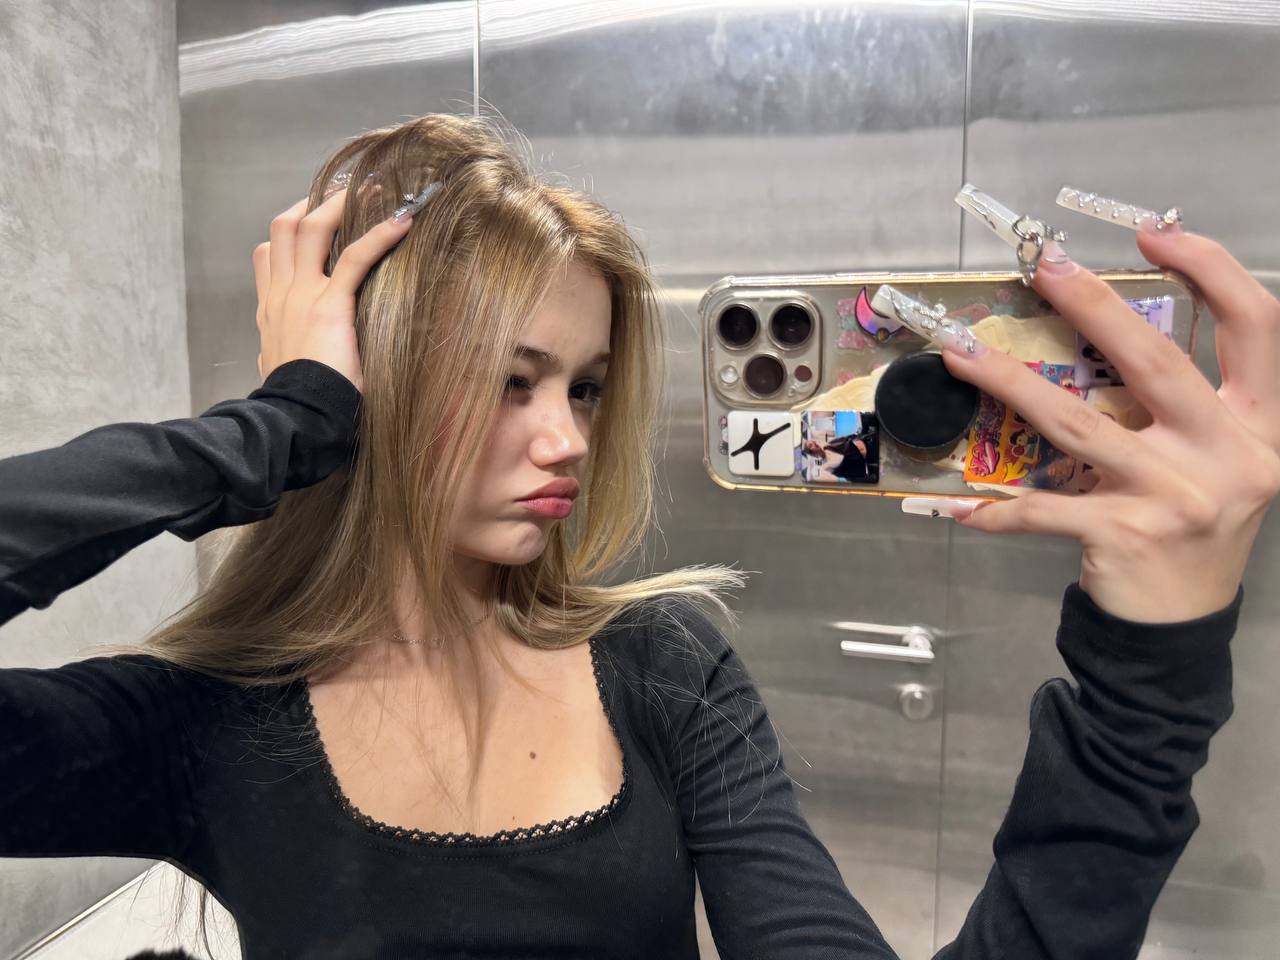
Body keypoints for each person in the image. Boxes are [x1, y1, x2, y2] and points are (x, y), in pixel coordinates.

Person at [1, 112, 1276, 959]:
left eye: (586, 386)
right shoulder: (204, 723)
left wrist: (1146, 674)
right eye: (506, 381)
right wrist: (272, 433)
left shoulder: (662, 667)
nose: (565, 436)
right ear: (364, 388)